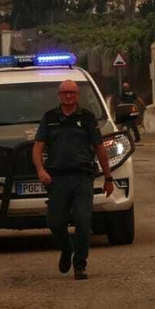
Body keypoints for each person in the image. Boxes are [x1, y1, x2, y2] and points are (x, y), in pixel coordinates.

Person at [33, 79, 116, 280]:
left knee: (82, 222)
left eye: (73, 93)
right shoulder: (50, 118)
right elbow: (38, 147)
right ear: (59, 95)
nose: (69, 96)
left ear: (78, 95)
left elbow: (100, 149)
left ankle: (80, 264)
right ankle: (66, 249)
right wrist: (40, 170)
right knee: (54, 222)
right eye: (65, 93)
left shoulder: (87, 118)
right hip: (57, 179)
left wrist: (108, 177)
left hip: (82, 178)